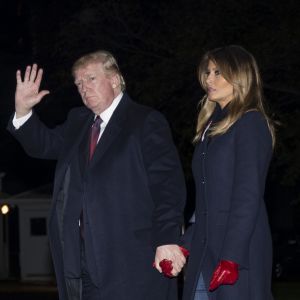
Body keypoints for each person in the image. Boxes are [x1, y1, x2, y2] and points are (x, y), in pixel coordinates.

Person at [7, 50, 187, 300]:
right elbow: (44, 145)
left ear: (114, 79)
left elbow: (167, 186)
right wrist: (23, 111)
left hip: (131, 260)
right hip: (80, 261)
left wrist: (167, 239)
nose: (83, 87)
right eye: (78, 83)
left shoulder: (144, 121)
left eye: (90, 79)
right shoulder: (78, 122)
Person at [182, 45, 275, 300]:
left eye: (217, 72)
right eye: (208, 72)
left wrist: (232, 257)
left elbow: (247, 196)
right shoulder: (211, 127)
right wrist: (185, 245)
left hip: (237, 254)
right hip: (206, 253)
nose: (208, 79)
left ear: (240, 76)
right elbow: (208, 202)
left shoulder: (251, 122)